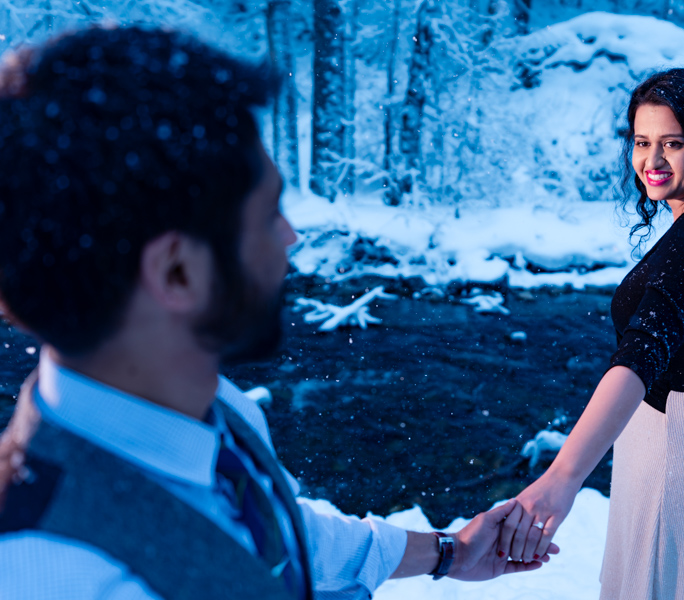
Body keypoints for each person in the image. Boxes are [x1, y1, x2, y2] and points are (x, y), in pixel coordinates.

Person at [0, 26, 557, 599]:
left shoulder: (213, 410)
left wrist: (449, 552)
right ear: (177, 272)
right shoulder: (48, 572)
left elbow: (282, 532)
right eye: (269, 214)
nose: (289, 238)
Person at [498, 68, 684, 599]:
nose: (651, 161)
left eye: (672, 143)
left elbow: (640, 356)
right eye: (642, 142)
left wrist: (562, 477)